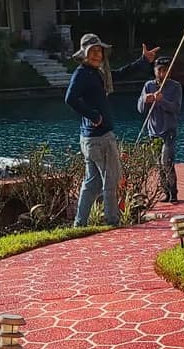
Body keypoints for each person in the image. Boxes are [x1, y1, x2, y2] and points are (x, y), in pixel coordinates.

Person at [64, 33, 159, 227]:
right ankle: (112, 222)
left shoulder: (98, 73)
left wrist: (143, 61)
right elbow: (70, 99)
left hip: (92, 138)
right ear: (84, 54)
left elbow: (119, 74)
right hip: (99, 137)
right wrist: (94, 116)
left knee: (92, 183)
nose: (97, 55)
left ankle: (79, 223)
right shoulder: (82, 73)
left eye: (100, 51)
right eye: (93, 51)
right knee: (111, 180)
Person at [138, 55, 184, 204]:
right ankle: (165, 192)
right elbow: (140, 108)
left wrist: (162, 100)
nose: (163, 73)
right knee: (158, 164)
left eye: (166, 70)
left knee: (167, 161)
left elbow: (175, 108)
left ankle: (174, 193)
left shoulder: (175, 86)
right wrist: (146, 99)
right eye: (160, 70)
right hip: (153, 132)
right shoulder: (148, 86)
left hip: (168, 130)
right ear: (155, 71)